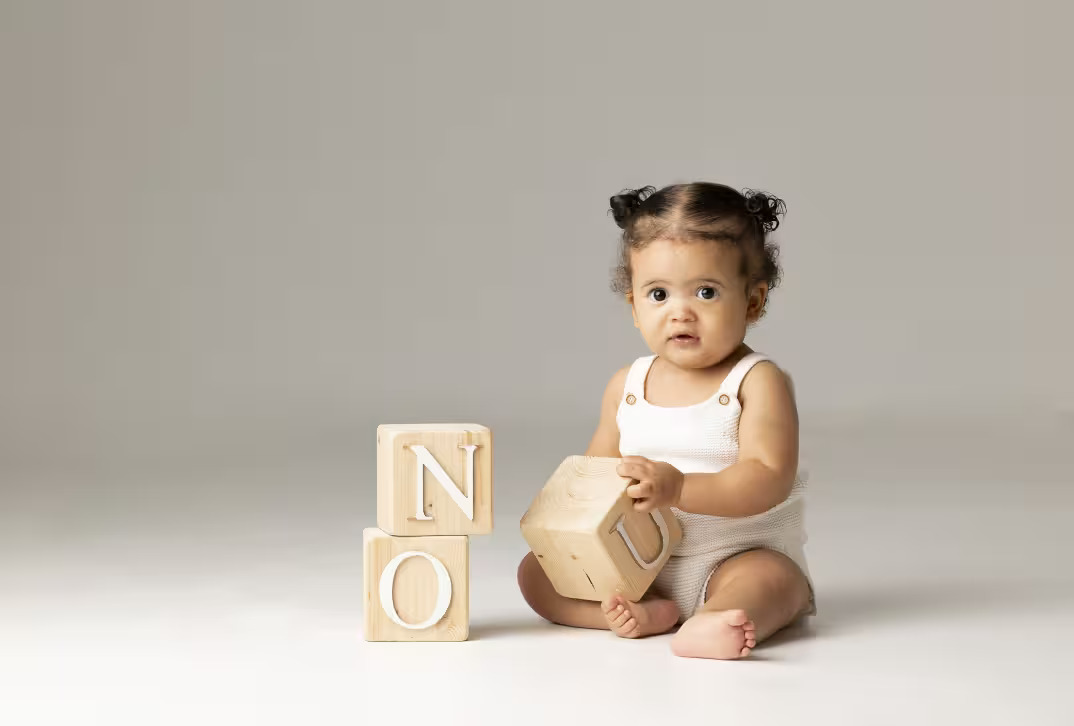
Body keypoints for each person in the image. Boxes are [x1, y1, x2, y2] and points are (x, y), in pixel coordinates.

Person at [517, 182, 815, 660]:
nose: (681, 313)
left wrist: (679, 488)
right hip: (637, 561)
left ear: (752, 302)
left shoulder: (756, 381)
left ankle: (716, 617)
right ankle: (637, 613)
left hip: (730, 558)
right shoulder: (627, 385)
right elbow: (594, 475)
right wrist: (560, 514)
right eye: (658, 294)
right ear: (634, 307)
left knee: (774, 580)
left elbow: (767, 478)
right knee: (535, 574)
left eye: (706, 292)